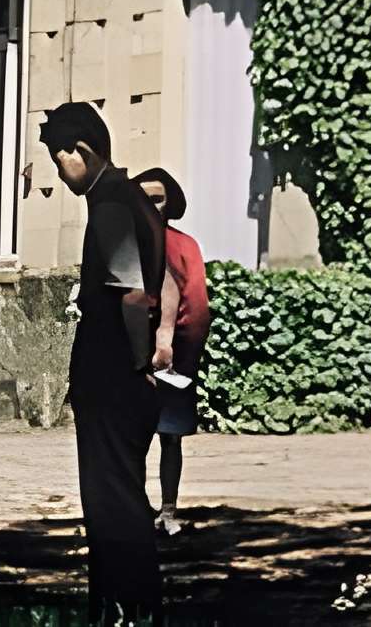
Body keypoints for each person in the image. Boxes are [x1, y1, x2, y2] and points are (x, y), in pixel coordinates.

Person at [42, 101, 171, 612]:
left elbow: (133, 295)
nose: (57, 168)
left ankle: (127, 607)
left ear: (84, 151)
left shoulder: (113, 204)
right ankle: (129, 606)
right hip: (123, 379)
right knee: (121, 496)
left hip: (113, 377)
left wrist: (137, 365)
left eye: (59, 156)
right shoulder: (133, 200)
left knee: (110, 502)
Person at [134, 166, 211, 536]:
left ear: (171, 203)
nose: (150, 206)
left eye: (158, 199)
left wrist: (185, 358)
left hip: (172, 358)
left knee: (170, 439)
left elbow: (197, 308)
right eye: (143, 199)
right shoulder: (126, 244)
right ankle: (133, 505)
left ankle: (167, 508)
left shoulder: (184, 247)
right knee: (130, 436)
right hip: (130, 356)